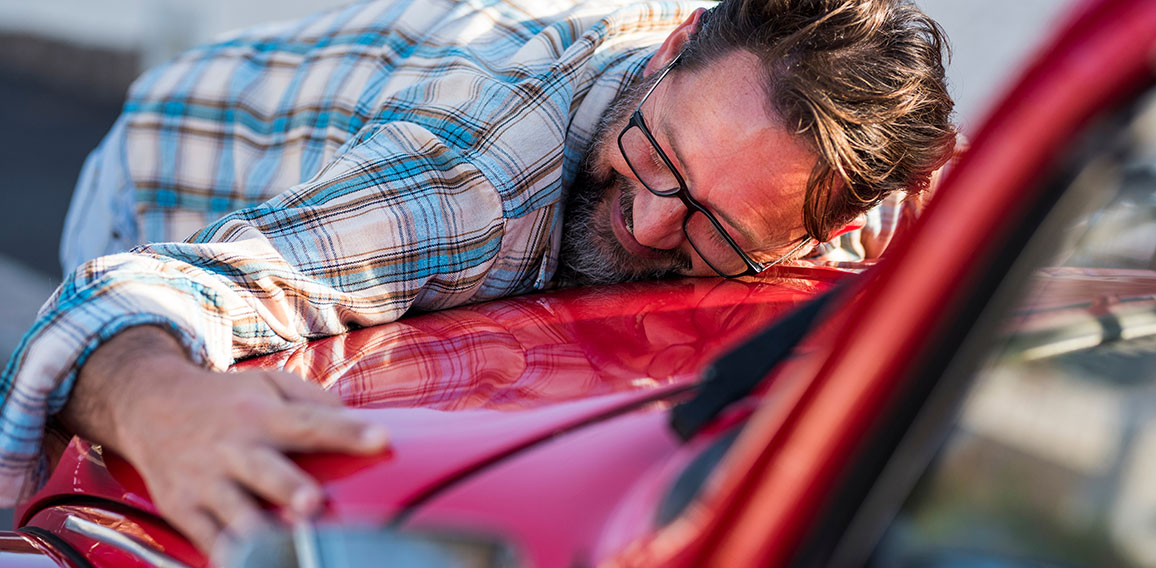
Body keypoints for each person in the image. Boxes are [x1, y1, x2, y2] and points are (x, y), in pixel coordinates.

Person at [0, 0, 955, 554]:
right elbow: (125, 301)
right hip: (190, 154)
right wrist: (158, 404)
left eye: (719, 227)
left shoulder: (841, 180)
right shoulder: (477, 178)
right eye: (660, 155)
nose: (654, 219)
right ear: (672, 52)